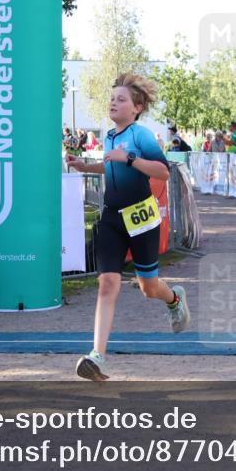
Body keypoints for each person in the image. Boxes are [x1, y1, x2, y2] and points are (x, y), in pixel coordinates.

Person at [65, 72, 191, 381]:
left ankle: (174, 298)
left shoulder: (140, 136)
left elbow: (161, 171)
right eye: (112, 99)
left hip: (141, 219)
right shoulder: (109, 136)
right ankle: (98, 357)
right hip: (111, 218)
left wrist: (130, 158)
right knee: (107, 283)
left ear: (136, 108)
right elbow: (112, 166)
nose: (114, 103)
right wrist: (86, 166)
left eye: (121, 100)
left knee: (149, 288)